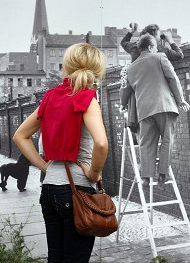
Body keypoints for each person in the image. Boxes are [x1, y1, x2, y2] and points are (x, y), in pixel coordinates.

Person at [13, 42, 108, 263]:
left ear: (67, 65)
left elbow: (20, 136)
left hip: (49, 190)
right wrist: (94, 174)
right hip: (78, 192)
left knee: (55, 257)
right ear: (97, 69)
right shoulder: (87, 98)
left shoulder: (49, 98)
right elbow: (101, 144)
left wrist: (45, 166)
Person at [120, 33, 190, 187]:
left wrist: (123, 104)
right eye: (156, 46)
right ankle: (163, 174)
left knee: (146, 142)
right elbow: (173, 79)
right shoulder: (159, 57)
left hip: (144, 111)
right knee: (167, 139)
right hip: (164, 106)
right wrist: (181, 100)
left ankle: (146, 176)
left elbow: (126, 89)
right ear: (151, 47)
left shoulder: (131, 68)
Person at [120, 23, 184, 132]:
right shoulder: (159, 50)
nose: (159, 38)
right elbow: (179, 55)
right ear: (152, 37)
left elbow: (123, 42)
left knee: (144, 134)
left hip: (137, 95)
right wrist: (170, 40)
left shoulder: (134, 47)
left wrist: (131, 31)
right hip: (158, 97)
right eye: (158, 36)